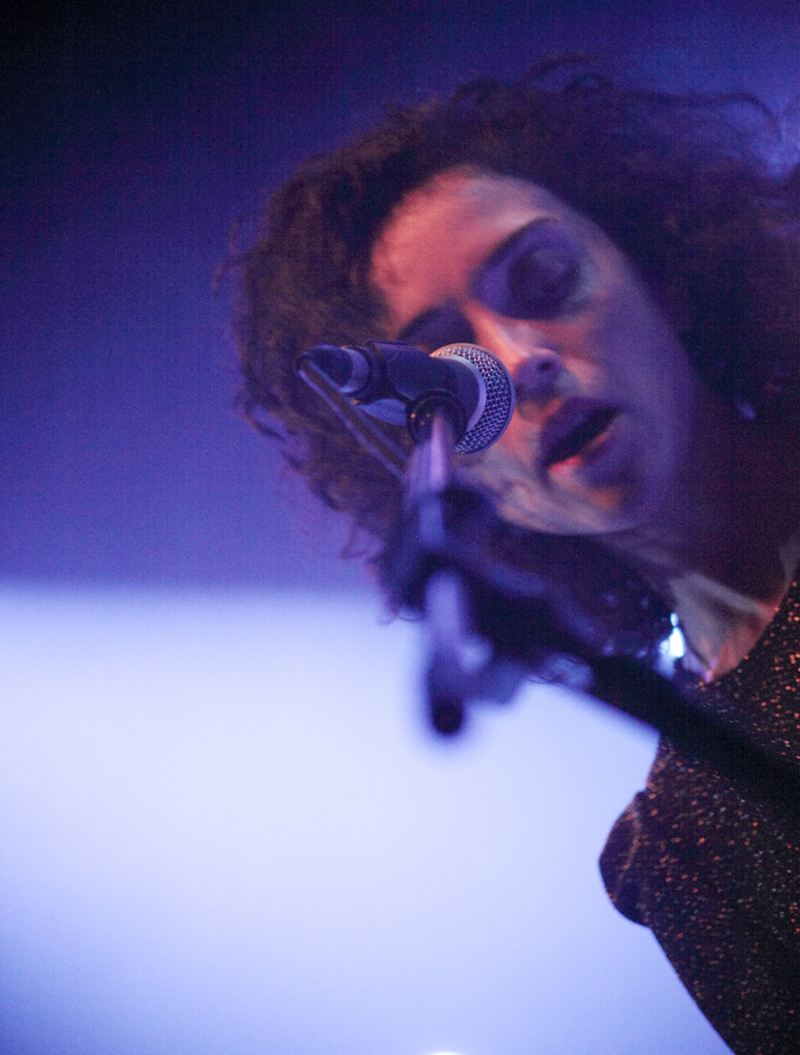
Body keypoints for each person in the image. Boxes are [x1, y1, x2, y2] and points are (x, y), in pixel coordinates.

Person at [232, 60, 800, 1054]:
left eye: (542, 282)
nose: (517, 361)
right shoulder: (682, 846)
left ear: (661, 272)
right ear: (461, 475)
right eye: (449, 375)